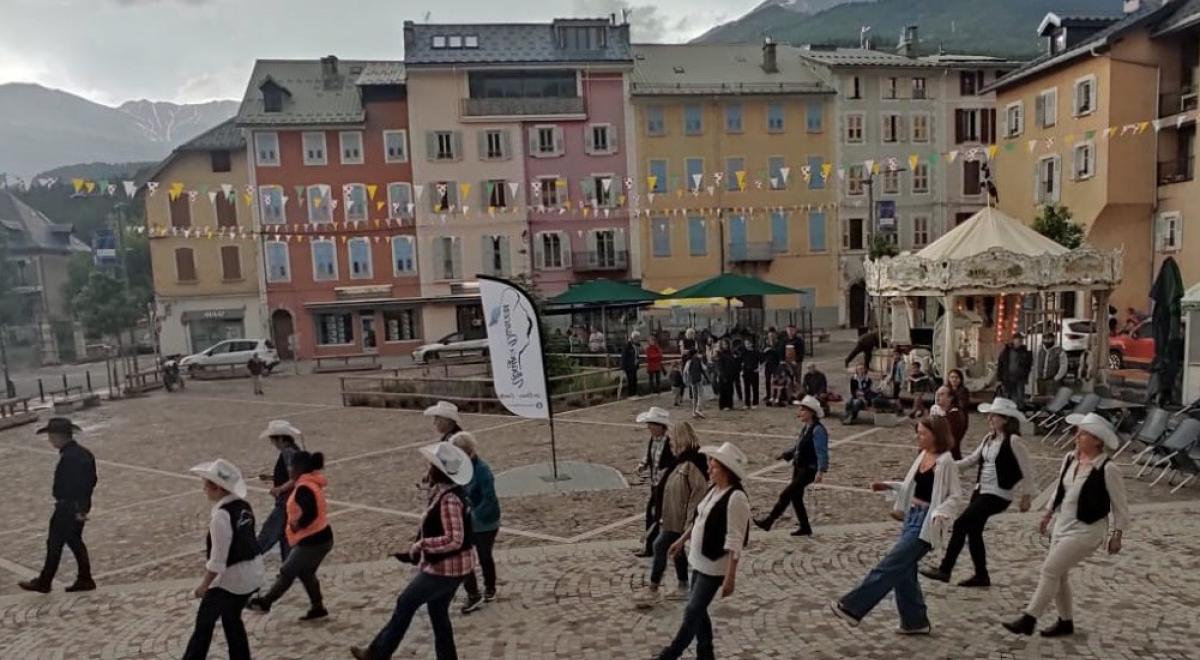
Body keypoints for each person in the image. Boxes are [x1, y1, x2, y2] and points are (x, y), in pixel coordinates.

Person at [830, 417, 963, 634]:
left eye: (923, 433)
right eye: (918, 432)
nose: (918, 437)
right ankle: (915, 621)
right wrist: (888, 485)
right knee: (904, 571)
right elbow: (912, 487)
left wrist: (940, 512)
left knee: (891, 564)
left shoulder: (946, 462)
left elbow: (955, 496)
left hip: (926, 522)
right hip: (912, 517)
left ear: (936, 435)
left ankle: (852, 607)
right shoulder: (922, 455)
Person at [1002, 412, 1130, 638]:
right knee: (1059, 575)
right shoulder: (1070, 458)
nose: (1076, 437)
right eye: (1077, 433)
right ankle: (1065, 622)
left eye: (1083, 434)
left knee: (1050, 569)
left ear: (1097, 441)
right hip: (1063, 524)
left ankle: (1029, 618)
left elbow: (1120, 506)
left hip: (1088, 529)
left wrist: (1117, 534)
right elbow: (1060, 489)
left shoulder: (1107, 468)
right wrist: (1048, 514)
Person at [352, 442, 475, 660]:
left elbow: (454, 539)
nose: (428, 468)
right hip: (455, 566)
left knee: (405, 603)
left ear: (439, 471)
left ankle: (378, 653)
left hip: (446, 568)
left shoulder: (449, 499)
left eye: (431, 466)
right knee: (438, 613)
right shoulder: (446, 492)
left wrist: (422, 545)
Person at [922, 397, 1035, 588]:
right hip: (981, 491)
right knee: (973, 531)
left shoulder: (1014, 441)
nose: (989, 418)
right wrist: (945, 466)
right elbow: (971, 460)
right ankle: (981, 576)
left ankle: (945, 570)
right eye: (990, 415)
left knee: (961, 524)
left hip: (999, 494)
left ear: (1006, 419)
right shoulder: (988, 439)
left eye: (994, 416)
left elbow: (1028, 469)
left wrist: (1027, 495)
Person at [652, 442, 751, 660]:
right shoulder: (713, 489)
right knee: (699, 610)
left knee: (692, 611)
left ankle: (669, 655)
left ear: (726, 470)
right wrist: (681, 540)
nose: (709, 469)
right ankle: (706, 654)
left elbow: (735, 539)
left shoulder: (736, 498)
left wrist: (730, 577)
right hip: (698, 560)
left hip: (714, 566)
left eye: (713, 466)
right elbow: (700, 520)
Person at [183, 458, 265, 660]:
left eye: (206, 485)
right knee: (231, 618)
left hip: (232, 578)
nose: (204, 489)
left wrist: (203, 586)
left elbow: (218, 559)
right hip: (253, 572)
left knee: (205, 623)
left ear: (218, 488)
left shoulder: (221, 516)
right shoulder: (243, 506)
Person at [248, 450, 333, 620]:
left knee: (288, 570)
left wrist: (297, 525)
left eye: (291, 466)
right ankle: (318, 607)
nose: (289, 470)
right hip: (319, 537)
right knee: (306, 573)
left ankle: (266, 602)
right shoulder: (308, 483)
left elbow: (311, 512)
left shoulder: (304, 488)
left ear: (299, 468)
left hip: (312, 540)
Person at [19, 417, 97, 593]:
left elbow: (82, 484)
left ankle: (47, 582)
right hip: (74, 506)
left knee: (58, 543)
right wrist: (83, 507)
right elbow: (91, 482)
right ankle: (80, 578)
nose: (50, 441)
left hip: (68, 508)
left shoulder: (71, 457)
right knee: (69, 542)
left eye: (51, 437)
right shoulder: (81, 453)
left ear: (59, 436)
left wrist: (79, 509)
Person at [635, 421, 709, 608]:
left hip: (681, 518)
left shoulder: (693, 461)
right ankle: (683, 586)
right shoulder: (680, 460)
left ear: (681, 438)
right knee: (676, 550)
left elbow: (698, 492)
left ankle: (654, 588)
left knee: (660, 545)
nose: (671, 442)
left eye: (673, 439)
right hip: (672, 517)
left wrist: (690, 521)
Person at [755, 396, 829, 536]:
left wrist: (820, 471)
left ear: (811, 412)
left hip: (809, 469)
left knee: (786, 494)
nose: (799, 412)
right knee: (796, 497)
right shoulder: (806, 428)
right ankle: (805, 527)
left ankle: (769, 521)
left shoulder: (818, 430)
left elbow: (821, 451)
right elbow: (798, 447)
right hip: (799, 467)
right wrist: (786, 454)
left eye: (802, 410)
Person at [452, 433, 501, 614]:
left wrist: (473, 515)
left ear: (468, 452)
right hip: (467, 518)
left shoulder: (482, 470)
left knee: (484, 555)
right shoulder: (459, 467)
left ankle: (490, 587)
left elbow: (489, 498)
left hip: (485, 521)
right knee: (463, 555)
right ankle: (473, 593)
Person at [256, 419, 304, 561]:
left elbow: (295, 477)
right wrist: (273, 478)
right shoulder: (295, 450)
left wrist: (279, 489)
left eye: (274, 440)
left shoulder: (288, 452)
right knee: (287, 537)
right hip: (294, 503)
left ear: (281, 439)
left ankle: (248, 561)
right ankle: (289, 567)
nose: (273, 444)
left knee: (267, 535)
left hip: (286, 502)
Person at [635, 407, 676, 558]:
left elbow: (675, 462)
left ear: (660, 426)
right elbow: (649, 455)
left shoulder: (670, 443)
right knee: (652, 514)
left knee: (660, 516)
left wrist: (667, 472)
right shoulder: (653, 440)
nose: (649, 427)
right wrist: (643, 464)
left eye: (651, 424)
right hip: (655, 484)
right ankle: (652, 547)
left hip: (666, 486)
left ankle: (660, 547)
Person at [929, 386, 968, 460]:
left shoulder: (955, 414)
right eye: (937, 394)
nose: (937, 397)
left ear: (950, 398)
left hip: (949, 456)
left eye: (941, 394)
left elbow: (948, 436)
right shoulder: (937, 411)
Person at [996, 333, 1033, 409]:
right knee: (1007, 396)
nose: (1019, 342)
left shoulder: (1025, 352)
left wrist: (1025, 375)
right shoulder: (1006, 351)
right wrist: (999, 378)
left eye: (1021, 340)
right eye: (1018, 340)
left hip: (1020, 378)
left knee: (1019, 397)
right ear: (1013, 340)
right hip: (1008, 378)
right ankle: (1008, 411)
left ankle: (1019, 410)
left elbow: (1028, 366)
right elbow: (1000, 365)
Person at [683, 350, 707, 419]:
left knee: (694, 396)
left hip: (692, 381)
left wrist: (686, 381)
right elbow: (704, 368)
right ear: (695, 354)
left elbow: (685, 372)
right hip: (698, 379)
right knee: (700, 394)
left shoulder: (688, 362)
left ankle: (694, 411)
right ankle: (698, 409)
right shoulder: (698, 360)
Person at [716, 339, 738, 411]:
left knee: (730, 390)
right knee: (723, 391)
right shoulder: (720, 354)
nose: (725, 346)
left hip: (731, 374)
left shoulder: (731, 353)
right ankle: (723, 405)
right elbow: (720, 366)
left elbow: (734, 363)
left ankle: (729, 405)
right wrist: (722, 375)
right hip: (723, 375)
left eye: (726, 344)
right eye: (724, 344)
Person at [740, 337, 761, 409]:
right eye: (746, 344)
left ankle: (755, 403)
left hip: (754, 371)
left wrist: (759, 368)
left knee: (755, 388)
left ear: (752, 344)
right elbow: (741, 362)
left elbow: (762, 361)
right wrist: (741, 370)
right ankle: (747, 403)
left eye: (748, 344)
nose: (747, 345)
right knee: (746, 388)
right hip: (746, 371)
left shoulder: (756, 352)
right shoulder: (743, 352)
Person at [622, 331, 641, 398]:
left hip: (634, 365)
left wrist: (637, 363)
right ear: (633, 338)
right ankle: (631, 394)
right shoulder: (627, 346)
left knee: (635, 379)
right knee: (630, 380)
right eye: (637, 338)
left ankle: (635, 393)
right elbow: (624, 356)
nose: (638, 339)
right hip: (629, 366)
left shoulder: (637, 345)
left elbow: (637, 355)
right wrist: (623, 367)